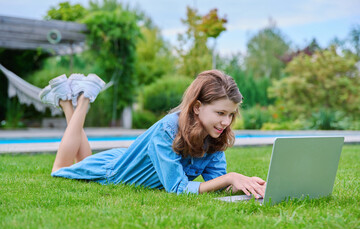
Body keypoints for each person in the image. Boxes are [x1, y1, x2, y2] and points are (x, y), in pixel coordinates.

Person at [39, 70, 266, 197]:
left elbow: (215, 183)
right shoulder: (168, 130)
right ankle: (83, 100)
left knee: (84, 160)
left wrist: (243, 184)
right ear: (197, 107)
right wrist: (229, 177)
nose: (226, 122)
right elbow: (177, 188)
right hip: (113, 171)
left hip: (121, 158)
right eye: (220, 113)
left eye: (230, 115)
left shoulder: (213, 136)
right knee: (59, 170)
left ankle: (64, 99)